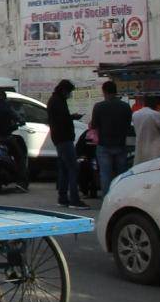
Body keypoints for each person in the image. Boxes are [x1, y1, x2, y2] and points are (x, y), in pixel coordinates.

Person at [89, 80, 133, 196]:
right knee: (121, 174)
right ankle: (121, 197)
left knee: (105, 174)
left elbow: (94, 125)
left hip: (104, 145)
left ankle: (107, 200)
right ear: (116, 91)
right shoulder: (125, 106)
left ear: (104, 91)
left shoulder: (99, 106)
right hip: (120, 144)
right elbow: (128, 125)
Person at [47, 80, 85, 208]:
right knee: (73, 168)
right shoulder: (57, 102)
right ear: (63, 90)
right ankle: (74, 199)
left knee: (64, 169)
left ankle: (62, 198)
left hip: (59, 139)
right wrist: (72, 117)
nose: (69, 95)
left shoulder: (55, 100)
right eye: (69, 92)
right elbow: (62, 120)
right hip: (64, 139)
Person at [131, 94, 160, 165]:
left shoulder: (135, 114)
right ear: (155, 104)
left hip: (140, 151)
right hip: (155, 151)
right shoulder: (156, 114)